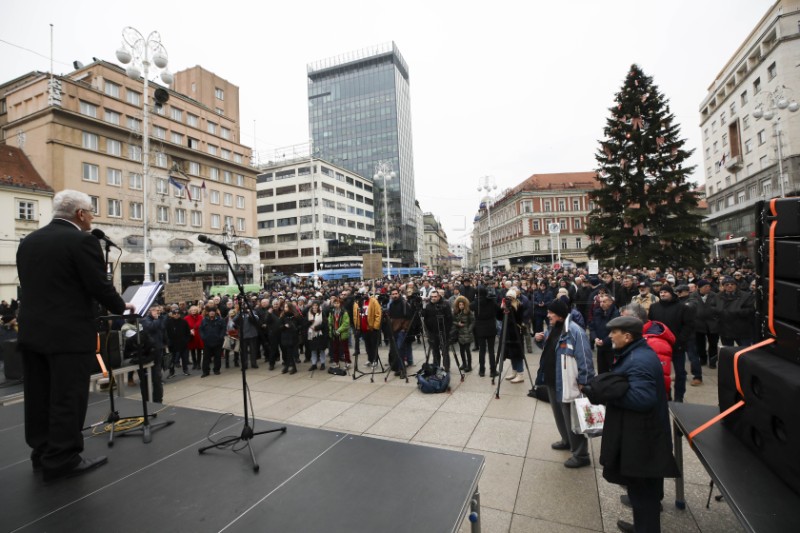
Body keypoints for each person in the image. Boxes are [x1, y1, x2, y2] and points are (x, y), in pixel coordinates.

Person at [17, 189, 133, 481]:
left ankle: (42, 453)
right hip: (68, 334)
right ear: (80, 214)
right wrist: (122, 306)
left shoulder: (28, 241)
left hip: (32, 332)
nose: (92, 218)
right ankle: (63, 458)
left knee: (39, 395)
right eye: (91, 212)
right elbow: (97, 285)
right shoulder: (82, 240)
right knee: (67, 396)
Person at [598, 316, 679, 533]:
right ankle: (643, 526)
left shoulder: (637, 359)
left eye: (614, 332)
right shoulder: (636, 352)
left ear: (627, 336)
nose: (610, 336)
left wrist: (606, 393)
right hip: (641, 433)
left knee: (643, 492)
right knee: (641, 491)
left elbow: (642, 399)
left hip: (643, 438)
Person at [534, 299, 595, 468]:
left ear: (560, 315)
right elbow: (549, 348)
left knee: (573, 419)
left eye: (550, 312)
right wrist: (539, 339)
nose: (548, 315)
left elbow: (585, 358)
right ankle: (567, 440)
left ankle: (581, 455)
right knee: (560, 416)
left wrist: (585, 382)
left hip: (570, 384)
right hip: (553, 381)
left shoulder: (575, 331)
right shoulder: (554, 328)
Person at [498, 289, 527, 383]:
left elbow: (517, 318)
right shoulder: (506, 305)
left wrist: (510, 309)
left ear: (514, 298)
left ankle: (520, 374)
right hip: (508, 332)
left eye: (510, 297)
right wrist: (502, 308)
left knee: (518, 353)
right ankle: (514, 371)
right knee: (511, 353)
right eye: (507, 297)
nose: (508, 299)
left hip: (516, 332)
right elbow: (500, 317)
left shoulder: (519, 305)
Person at [690, 279, 719, 369]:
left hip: (713, 324)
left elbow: (719, 308)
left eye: (709, 286)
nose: (708, 288)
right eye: (705, 287)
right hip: (698, 324)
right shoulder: (693, 296)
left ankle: (713, 361)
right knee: (700, 344)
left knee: (713, 344)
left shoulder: (715, 296)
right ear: (699, 288)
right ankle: (702, 359)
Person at [421, 290, 453, 371]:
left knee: (445, 352)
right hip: (432, 333)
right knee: (435, 352)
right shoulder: (428, 306)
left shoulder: (445, 304)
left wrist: (447, 331)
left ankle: (446, 368)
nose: (433, 298)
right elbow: (425, 319)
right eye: (432, 297)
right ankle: (436, 367)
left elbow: (450, 319)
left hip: (443, 332)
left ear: (439, 296)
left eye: (435, 296)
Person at [472, 287, 499, 377]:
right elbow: (498, 310)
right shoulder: (491, 301)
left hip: (480, 328)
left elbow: (470, 307)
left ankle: (481, 370)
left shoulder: (475, 302)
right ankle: (493, 370)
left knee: (482, 351)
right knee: (491, 350)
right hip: (490, 327)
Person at [589, 294, 620, 374]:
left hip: (611, 348)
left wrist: (604, 341)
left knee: (612, 371)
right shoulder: (597, 312)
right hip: (600, 346)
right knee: (601, 371)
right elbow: (592, 327)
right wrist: (595, 338)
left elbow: (615, 330)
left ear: (610, 302)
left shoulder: (616, 313)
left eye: (604, 302)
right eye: (600, 302)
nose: (601, 304)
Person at [353, 288, 382, 367]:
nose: (364, 295)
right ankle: (370, 359)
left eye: (365, 293)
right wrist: (357, 327)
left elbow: (378, 314)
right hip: (363, 328)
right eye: (363, 293)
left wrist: (375, 326)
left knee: (373, 345)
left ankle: (375, 360)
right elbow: (356, 316)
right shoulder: (358, 303)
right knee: (367, 345)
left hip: (372, 328)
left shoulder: (373, 301)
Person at [199, 307, 226, 376]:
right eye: (210, 311)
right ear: (208, 312)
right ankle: (205, 371)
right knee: (206, 357)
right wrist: (203, 337)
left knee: (217, 357)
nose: (212, 312)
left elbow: (223, 329)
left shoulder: (220, 320)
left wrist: (221, 337)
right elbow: (201, 330)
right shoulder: (204, 320)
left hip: (218, 342)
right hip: (207, 342)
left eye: (213, 311)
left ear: (215, 312)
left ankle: (216, 370)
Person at [452, 295, 475, 372]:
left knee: (467, 350)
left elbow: (473, 321)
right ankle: (464, 364)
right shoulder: (456, 312)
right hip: (459, 333)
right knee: (461, 350)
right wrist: (457, 324)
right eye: (459, 304)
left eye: (462, 304)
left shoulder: (468, 312)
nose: (461, 306)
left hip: (467, 333)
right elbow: (452, 321)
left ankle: (469, 365)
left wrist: (469, 330)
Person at [328, 296, 351, 368]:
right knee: (335, 348)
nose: (336, 304)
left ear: (340, 304)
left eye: (337, 303)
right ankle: (336, 362)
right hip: (334, 332)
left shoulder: (344, 312)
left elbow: (346, 323)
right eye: (335, 303)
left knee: (345, 349)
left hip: (342, 333)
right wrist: (332, 329)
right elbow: (330, 321)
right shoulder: (332, 311)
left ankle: (348, 362)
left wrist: (339, 330)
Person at [306, 301, 326, 371]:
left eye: (316, 305)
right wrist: (310, 323)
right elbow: (305, 323)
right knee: (313, 349)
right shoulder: (309, 313)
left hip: (319, 333)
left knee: (321, 349)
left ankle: (323, 363)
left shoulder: (321, 313)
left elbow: (324, 324)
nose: (314, 307)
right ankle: (314, 364)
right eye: (313, 305)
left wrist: (316, 328)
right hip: (312, 334)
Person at [184, 305, 204, 370]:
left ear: (197, 310)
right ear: (190, 311)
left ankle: (198, 364)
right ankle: (194, 363)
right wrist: (189, 331)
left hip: (199, 336)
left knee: (199, 350)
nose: (193, 311)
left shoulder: (201, 317)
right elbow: (184, 327)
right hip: (191, 336)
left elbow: (203, 325)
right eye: (192, 310)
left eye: (195, 310)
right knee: (192, 351)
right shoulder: (186, 318)